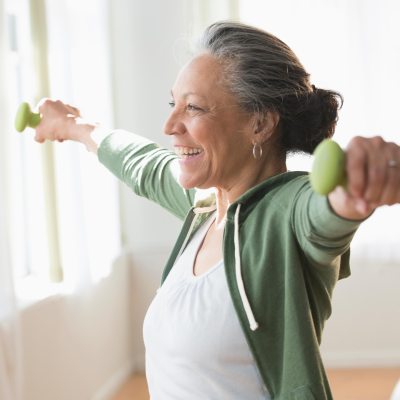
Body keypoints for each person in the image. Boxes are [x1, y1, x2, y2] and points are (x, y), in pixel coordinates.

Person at [34, 22, 400, 400]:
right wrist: (74, 126)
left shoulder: (287, 212)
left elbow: (323, 212)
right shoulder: (207, 207)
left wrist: (356, 188)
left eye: (193, 107)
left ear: (260, 124)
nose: (170, 126)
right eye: (173, 104)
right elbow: (143, 165)